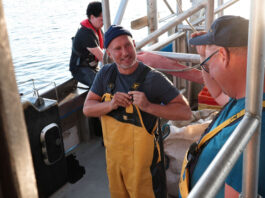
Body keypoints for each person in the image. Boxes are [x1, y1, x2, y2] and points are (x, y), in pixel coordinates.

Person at [83, 25, 192, 198]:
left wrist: (149, 106)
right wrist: (110, 105)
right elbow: (88, 108)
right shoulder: (105, 74)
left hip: (146, 169)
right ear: (109, 53)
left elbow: (185, 112)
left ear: (134, 45)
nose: (125, 52)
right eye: (117, 48)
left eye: (128, 45)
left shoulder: (153, 79)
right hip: (115, 164)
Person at [177, 15, 265, 197]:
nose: (211, 73)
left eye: (208, 65)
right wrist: (205, 56)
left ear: (223, 56)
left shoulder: (254, 136)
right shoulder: (249, 97)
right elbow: (218, 94)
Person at [69, 1, 103, 87]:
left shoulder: (98, 29)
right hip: (79, 69)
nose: (104, 22)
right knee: (100, 84)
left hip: (92, 67)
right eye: (102, 19)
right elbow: (102, 57)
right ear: (92, 17)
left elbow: (110, 47)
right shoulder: (85, 33)